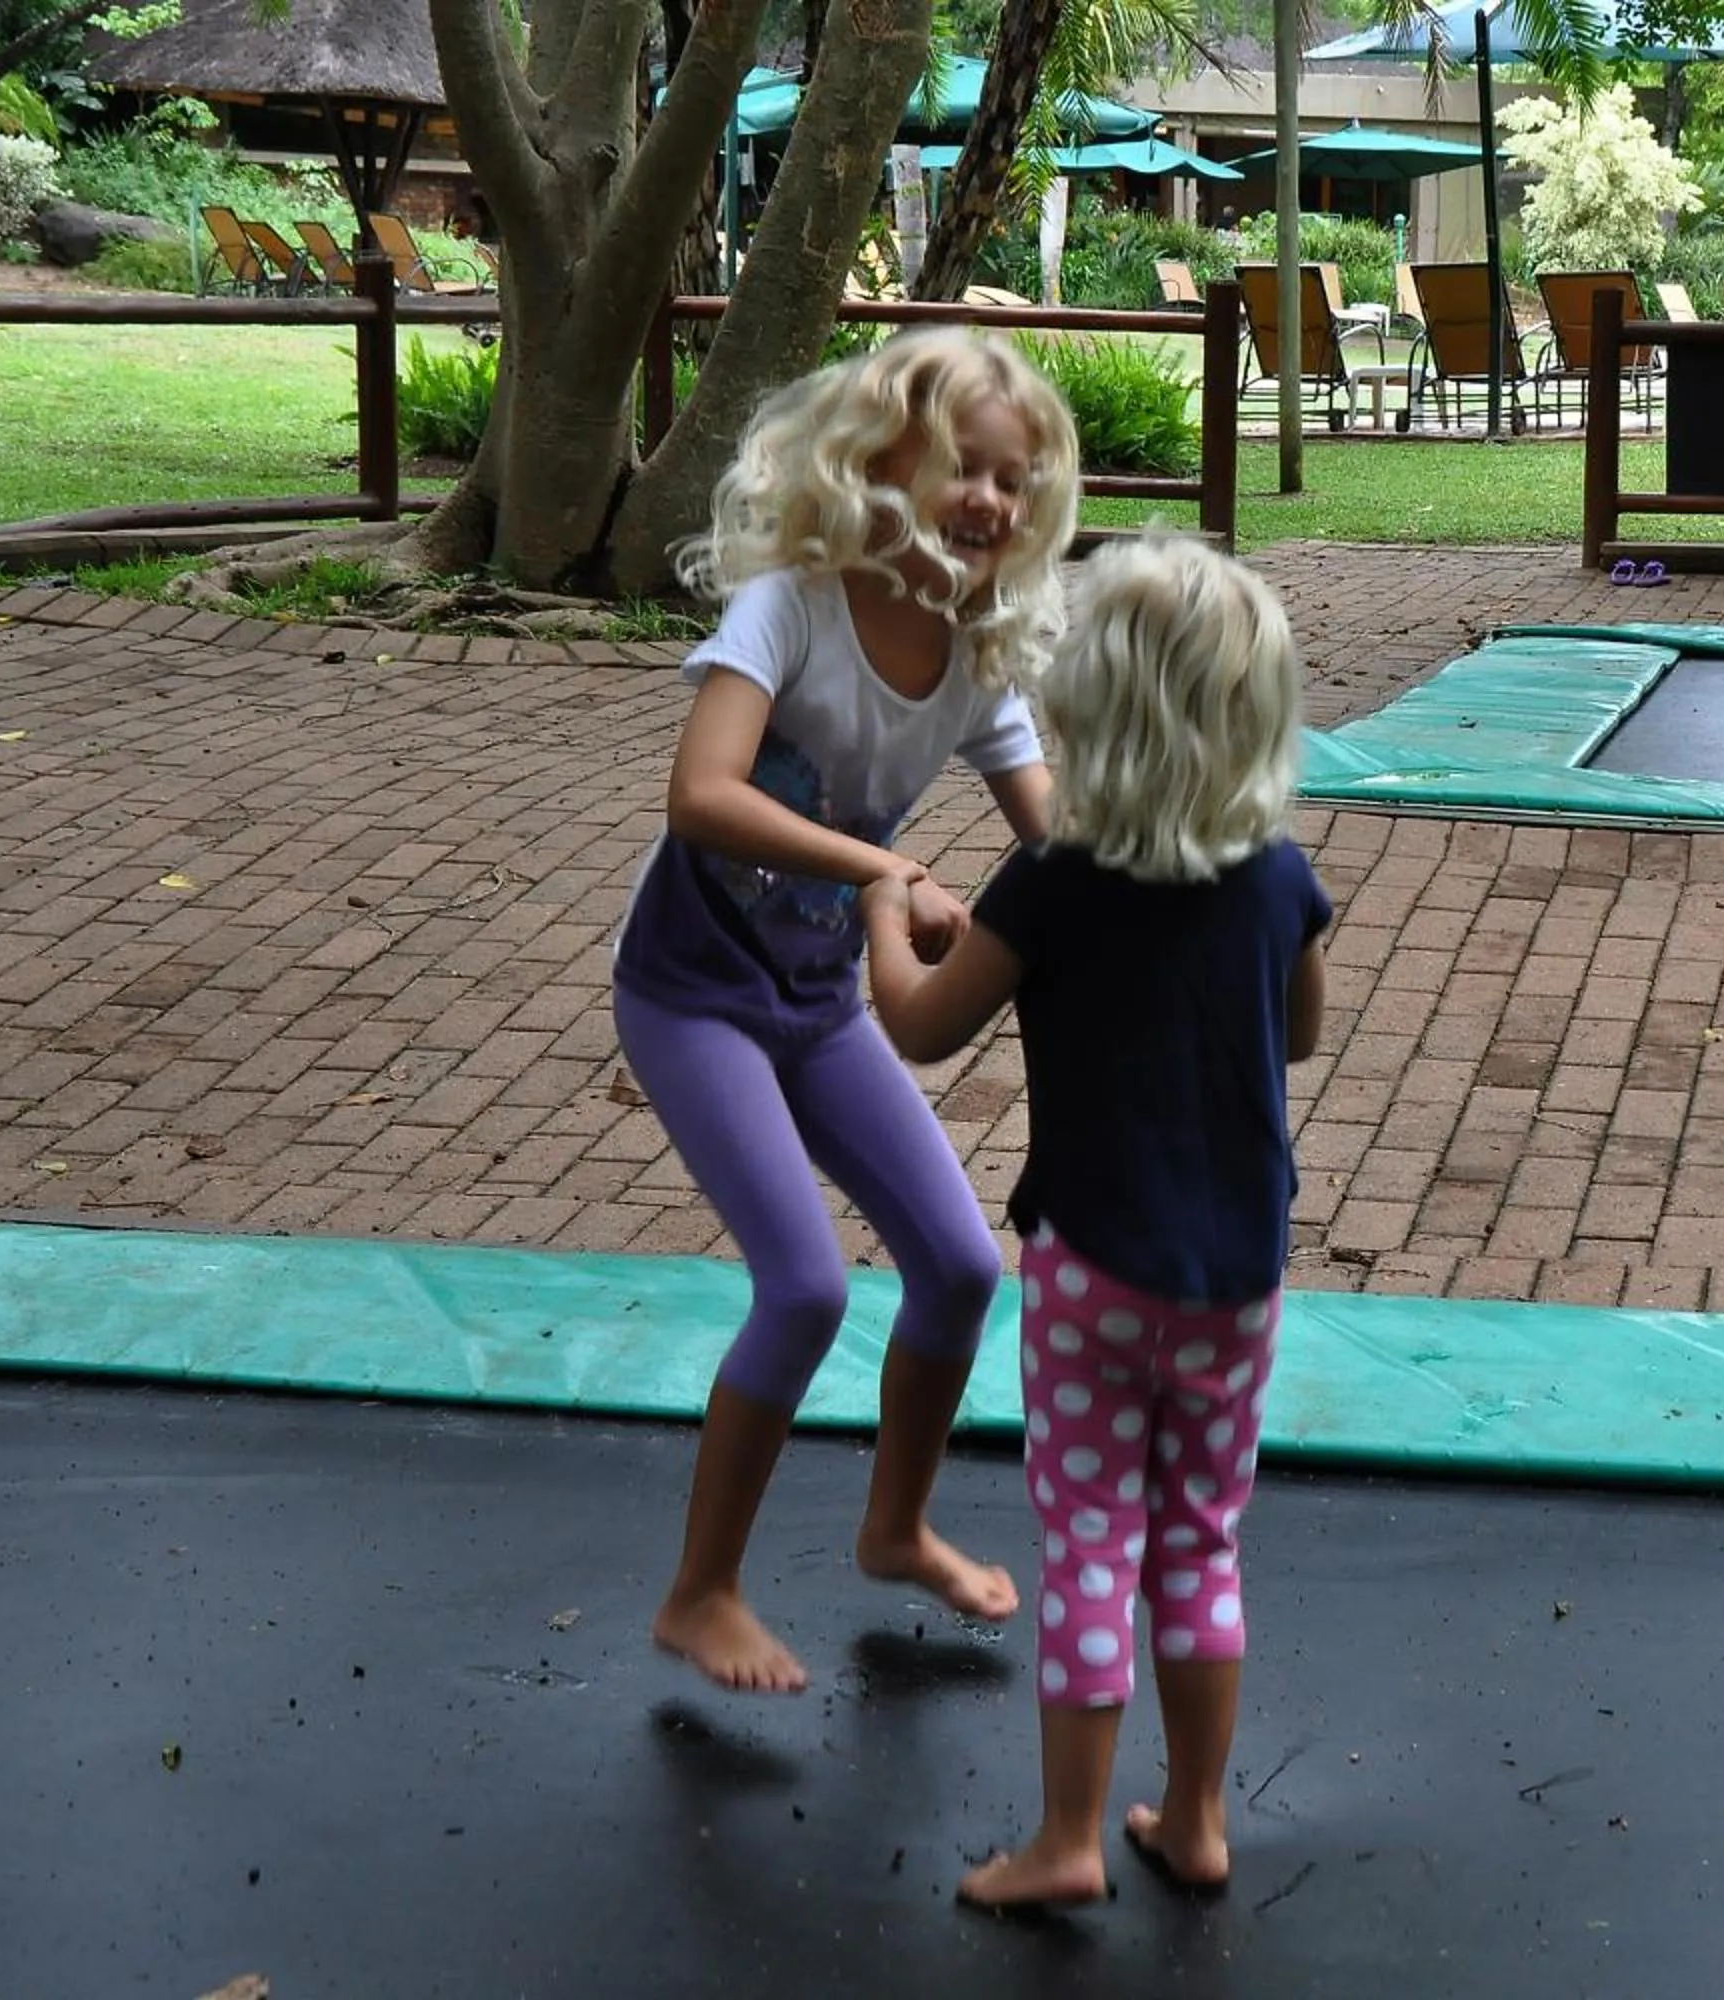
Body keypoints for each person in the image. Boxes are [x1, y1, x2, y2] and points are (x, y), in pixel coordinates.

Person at [860, 531, 1331, 1912]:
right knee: (1197, 1544)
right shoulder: (1276, 874)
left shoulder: (1054, 879)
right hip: (1238, 1280)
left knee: (1090, 1546)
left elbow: (923, 1028)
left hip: (1093, 1278)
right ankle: (1194, 1822)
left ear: (1087, 713)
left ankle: (1067, 1841)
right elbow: (1297, 1034)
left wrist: (890, 907)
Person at [612, 326, 1080, 1694]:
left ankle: (893, 1527)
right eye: (964, 468)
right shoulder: (793, 607)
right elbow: (701, 795)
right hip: (689, 996)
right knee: (807, 1285)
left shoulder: (981, 656)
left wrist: (1170, 902)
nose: (990, 500)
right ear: (881, 462)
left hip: (815, 1003)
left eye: (1016, 479)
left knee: (960, 1268)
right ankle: (700, 1594)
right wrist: (889, 871)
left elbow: (1059, 855)